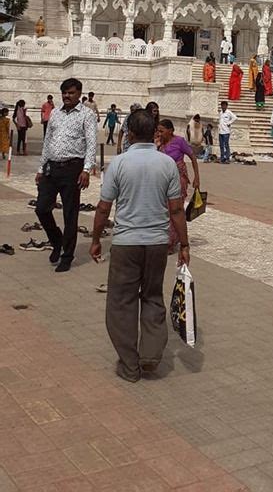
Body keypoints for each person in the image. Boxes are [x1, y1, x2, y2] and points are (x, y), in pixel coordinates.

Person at [89, 109, 189, 383]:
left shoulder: (118, 164)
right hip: (157, 243)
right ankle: (150, 356)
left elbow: (102, 208)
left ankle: (130, 364)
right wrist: (184, 244)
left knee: (122, 303)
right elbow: (177, 210)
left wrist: (96, 239)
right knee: (152, 298)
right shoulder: (167, 164)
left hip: (126, 243)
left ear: (130, 133)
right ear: (155, 132)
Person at [36, 77, 98, 272]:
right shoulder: (55, 113)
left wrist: (86, 169)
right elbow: (48, 141)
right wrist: (41, 168)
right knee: (41, 208)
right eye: (64, 93)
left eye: (71, 93)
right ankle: (56, 240)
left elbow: (91, 143)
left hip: (73, 168)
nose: (67, 96)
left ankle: (67, 255)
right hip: (51, 168)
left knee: (70, 213)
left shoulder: (86, 115)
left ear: (79, 94)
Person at [157, 120, 200, 252]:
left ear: (170, 131)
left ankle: (172, 241)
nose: (159, 134)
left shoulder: (179, 141)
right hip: (163, 179)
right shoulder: (158, 143)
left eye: (162, 131)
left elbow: (192, 157)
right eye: (158, 131)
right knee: (163, 209)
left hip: (179, 177)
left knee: (175, 208)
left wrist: (197, 177)